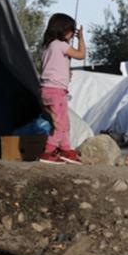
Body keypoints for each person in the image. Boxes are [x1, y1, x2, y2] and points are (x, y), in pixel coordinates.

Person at [39, 13, 86, 164]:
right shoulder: (61, 45)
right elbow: (81, 55)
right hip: (56, 91)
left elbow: (49, 69)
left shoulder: (47, 48)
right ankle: (48, 152)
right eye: (72, 31)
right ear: (65, 30)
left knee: (64, 122)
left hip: (46, 90)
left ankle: (65, 150)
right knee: (60, 125)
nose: (72, 35)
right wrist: (81, 39)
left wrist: (65, 72)